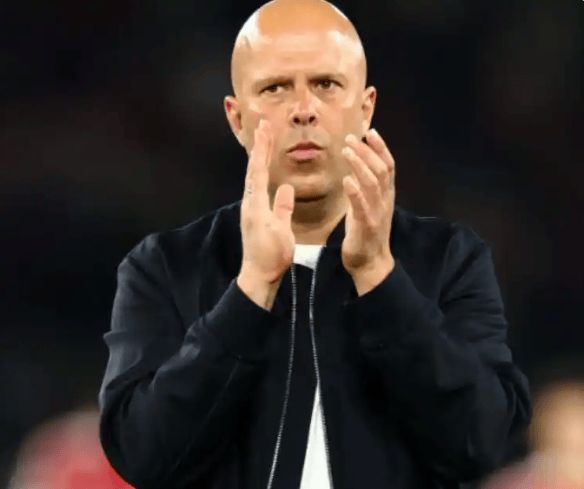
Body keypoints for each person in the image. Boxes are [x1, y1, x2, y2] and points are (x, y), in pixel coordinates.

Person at [98, 1, 531, 488]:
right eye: (275, 88)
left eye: (326, 84)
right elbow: (141, 455)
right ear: (236, 118)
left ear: (365, 108)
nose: (303, 110)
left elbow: (483, 443)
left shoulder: (448, 259)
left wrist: (379, 277)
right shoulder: (165, 267)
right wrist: (250, 292)